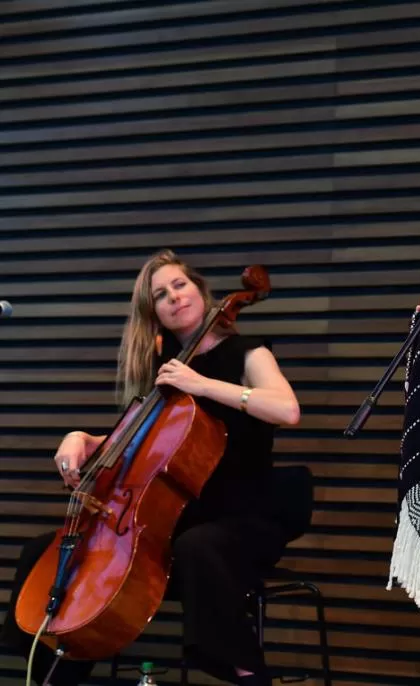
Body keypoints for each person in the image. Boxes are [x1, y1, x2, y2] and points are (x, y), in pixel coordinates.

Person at [1, 249, 301, 686]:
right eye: (161, 294)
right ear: (155, 313)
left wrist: (200, 384)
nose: (174, 297)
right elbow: (138, 442)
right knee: (48, 554)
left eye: (180, 285)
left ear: (200, 290)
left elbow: (287, 409)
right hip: (174, 522)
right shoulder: (165, 371)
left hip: (243, 516)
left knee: (200, 548)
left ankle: (249, 674)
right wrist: (82, 439)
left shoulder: (246, 353)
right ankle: (53, 674)